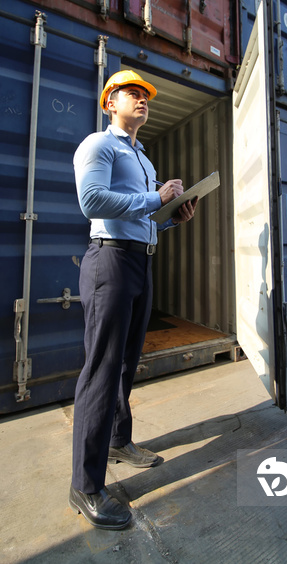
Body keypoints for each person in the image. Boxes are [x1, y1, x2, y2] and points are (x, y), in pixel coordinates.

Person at [69, 70, 197, 530]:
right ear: (110, 103)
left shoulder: (143, 157)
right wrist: (152, 198)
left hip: (141, 260)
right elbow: (91, 200)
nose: (143, 100)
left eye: (146, 95)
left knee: (126, 363)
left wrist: (171, 217)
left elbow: (145, 216)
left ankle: (119, 442)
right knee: (101, 370)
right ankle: (85, 485)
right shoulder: (98, 146)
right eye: (132, 93)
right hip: (109, 263)